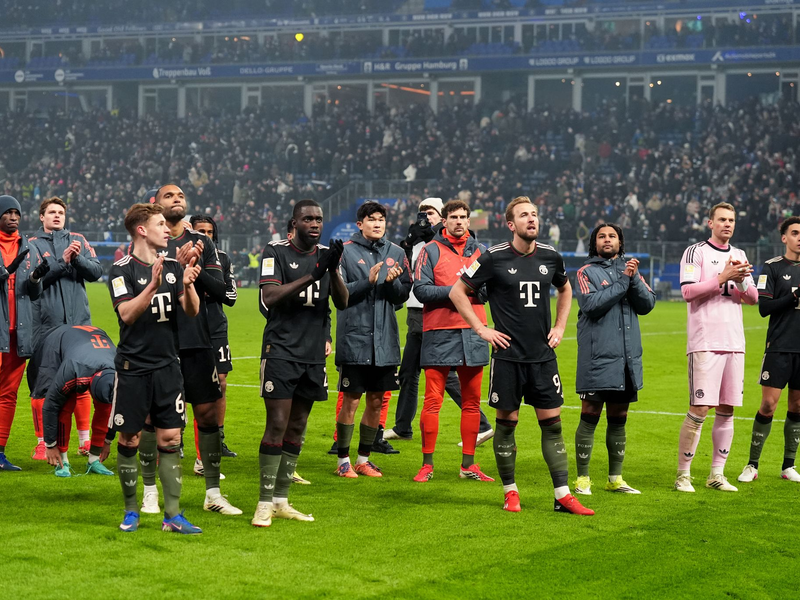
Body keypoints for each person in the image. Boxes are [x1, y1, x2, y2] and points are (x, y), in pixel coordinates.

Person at [450, 196, 593, 515]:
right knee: (506, 424)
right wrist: (481, 329)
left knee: (553, 425)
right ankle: (510, 492)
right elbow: (457, 291)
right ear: (511, 224)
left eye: (535, 214)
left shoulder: (551, 256)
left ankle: (562, 495)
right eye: (524, 215)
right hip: (508, 358)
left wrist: (559, 326)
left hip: (543, 357)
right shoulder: (493, 257)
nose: (532, 219)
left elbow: (566, 288)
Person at [108, 202, 203, 533]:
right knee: (130, 438)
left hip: (168, 367)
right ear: (141, 230)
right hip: (133, 369)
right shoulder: (120, 270)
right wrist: (151, 284)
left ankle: (172, 515)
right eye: (161, 224)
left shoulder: (174, 267)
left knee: (170, 438)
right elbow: (127, 315)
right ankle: (131, 510)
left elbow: (191, 312)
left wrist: (189, 284)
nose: (168, 229)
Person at [147, 185, 241, 516]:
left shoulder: (203, 243)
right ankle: (149, 493)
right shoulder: (148, 241)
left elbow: (220, 290)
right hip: (157, 342)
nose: (177, 200)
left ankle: (213, 493)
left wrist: (194, 270)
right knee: (153, 420)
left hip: (197, 340)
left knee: (209, 415)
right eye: (170, 195)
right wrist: (174, 266)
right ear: (154, 204)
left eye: (181, 196)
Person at [255, 199, 347, 527]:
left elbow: (342, 301)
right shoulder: (274, 251)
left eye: (319, 219)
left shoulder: (325, 255)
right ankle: (263, 503)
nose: (315, 223)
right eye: (307, 218)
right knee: (277, 424)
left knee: (297, 426)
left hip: (311, 356)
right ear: (293, 223)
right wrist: (314, 273)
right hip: (280, 350)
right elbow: (270, 297)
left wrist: (332, 268)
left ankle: (281, 500)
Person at [384, 197, 493, 445]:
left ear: (441, 216)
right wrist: (410, 243)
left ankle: (483, 424)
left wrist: (457, 291)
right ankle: (403, 426)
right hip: (417, 312)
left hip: (439, 318)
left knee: (442, 371)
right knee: (409, 372)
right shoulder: (422, 243)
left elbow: (482, 288)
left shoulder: (447, 244)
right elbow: (411, 275)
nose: (426, 217)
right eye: (422, 213)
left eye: (431, 212)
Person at [674, 202, 758, 493]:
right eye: (722, 219)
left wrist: (742, 280)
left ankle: (716, 474)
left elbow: (753, 299)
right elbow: (687, 291)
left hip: (734, 342)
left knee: (727, 409)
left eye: (732, 220)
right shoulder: (695, 252)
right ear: (710, 223)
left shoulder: (740, 255)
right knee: (699, 408)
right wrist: (722, 277)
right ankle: (683, 475)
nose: (728, 224)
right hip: (705, 341)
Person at [412, 200, 493, 482]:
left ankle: (468, 465)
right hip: (439, 332)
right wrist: (460, 291)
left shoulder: (482, 252)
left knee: (471, 403)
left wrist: (464, 293)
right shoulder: (429, 251)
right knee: (432, 401)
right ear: (443, 221)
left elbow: (488, 292)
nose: (459, 221)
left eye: (463, 217)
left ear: (469, 221)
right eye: (453, 217)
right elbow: (421, 290)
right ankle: (427, 464)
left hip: (474, 332)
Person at [573, 223, 656, 496]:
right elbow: (591, 306)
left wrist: (631, 279)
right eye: (601, 236)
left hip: (626, 359)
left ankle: (615, 478)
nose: (607, 240)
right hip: (597, 358)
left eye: (612, 236)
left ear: (620, 242)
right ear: (594, 243)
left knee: (619, 417)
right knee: (590, 415)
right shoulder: (586, 272)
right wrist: (624, 281)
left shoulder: (631, 272)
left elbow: (647, 304)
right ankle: (582, 479)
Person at [334, 201, 411, 478]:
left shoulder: (397, 253)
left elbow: (402, 296)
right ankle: (343, 460)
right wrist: (369, 280)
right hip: (354, 339)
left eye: (381, 220)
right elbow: (339, 294)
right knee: (351, 399)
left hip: (385, 341)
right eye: (371, 220)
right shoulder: (344, 253)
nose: (377, 224)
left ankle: (363, 459)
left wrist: (391, 283)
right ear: (360, 224)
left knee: (376, 401)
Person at [29, 196, 103, 461]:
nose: (57, 216)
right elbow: (33, 283)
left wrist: (76, 259)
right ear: (42, 217)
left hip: (79, 325)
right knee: (44, 383)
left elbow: (96, 272)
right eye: (52, 212)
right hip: (47, 326)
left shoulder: (79, 241)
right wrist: (63, 261)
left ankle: (84, 441)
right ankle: (42, 443)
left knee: (81, 382)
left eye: (61, 212)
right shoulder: (33, 245)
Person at [739, 216, 800, 484]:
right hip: (779, 346)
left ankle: (789, 466)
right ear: (784, 237)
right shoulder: (772, 267)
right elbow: (764, 308)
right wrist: (795, 297)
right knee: (768, 404)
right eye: (795, 233)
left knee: (797, 405)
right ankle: (752, 465)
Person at [28, 325, 117, 477]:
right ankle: (63, 461)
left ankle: (94, 459)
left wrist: (107, 440)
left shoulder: (123, 370)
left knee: (106, 408)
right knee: (65, 404)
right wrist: (50, 444)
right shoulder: (74, 368)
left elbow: (117, 409)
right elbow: (51, 405)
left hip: (90, 343)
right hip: (57, 343)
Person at [0, 195, 48, 471]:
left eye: (16, 213)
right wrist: (7, 270)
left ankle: (0, 453)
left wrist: (35, 278)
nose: (13, 217)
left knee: (8, 395)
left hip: (17, 333)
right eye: (7, 212)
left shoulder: (27, 247)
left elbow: (33, 294)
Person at [189, 215, 238, 458]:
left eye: (209, 232)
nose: (205, 236)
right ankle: (175, 439)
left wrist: (199, 275)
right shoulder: (179, 257)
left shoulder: (224, 259)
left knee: (221, 382)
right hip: (189, 325)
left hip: (216, 326)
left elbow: (230, 297)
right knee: (181, 384)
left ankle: (218, 437)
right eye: (200, 231)